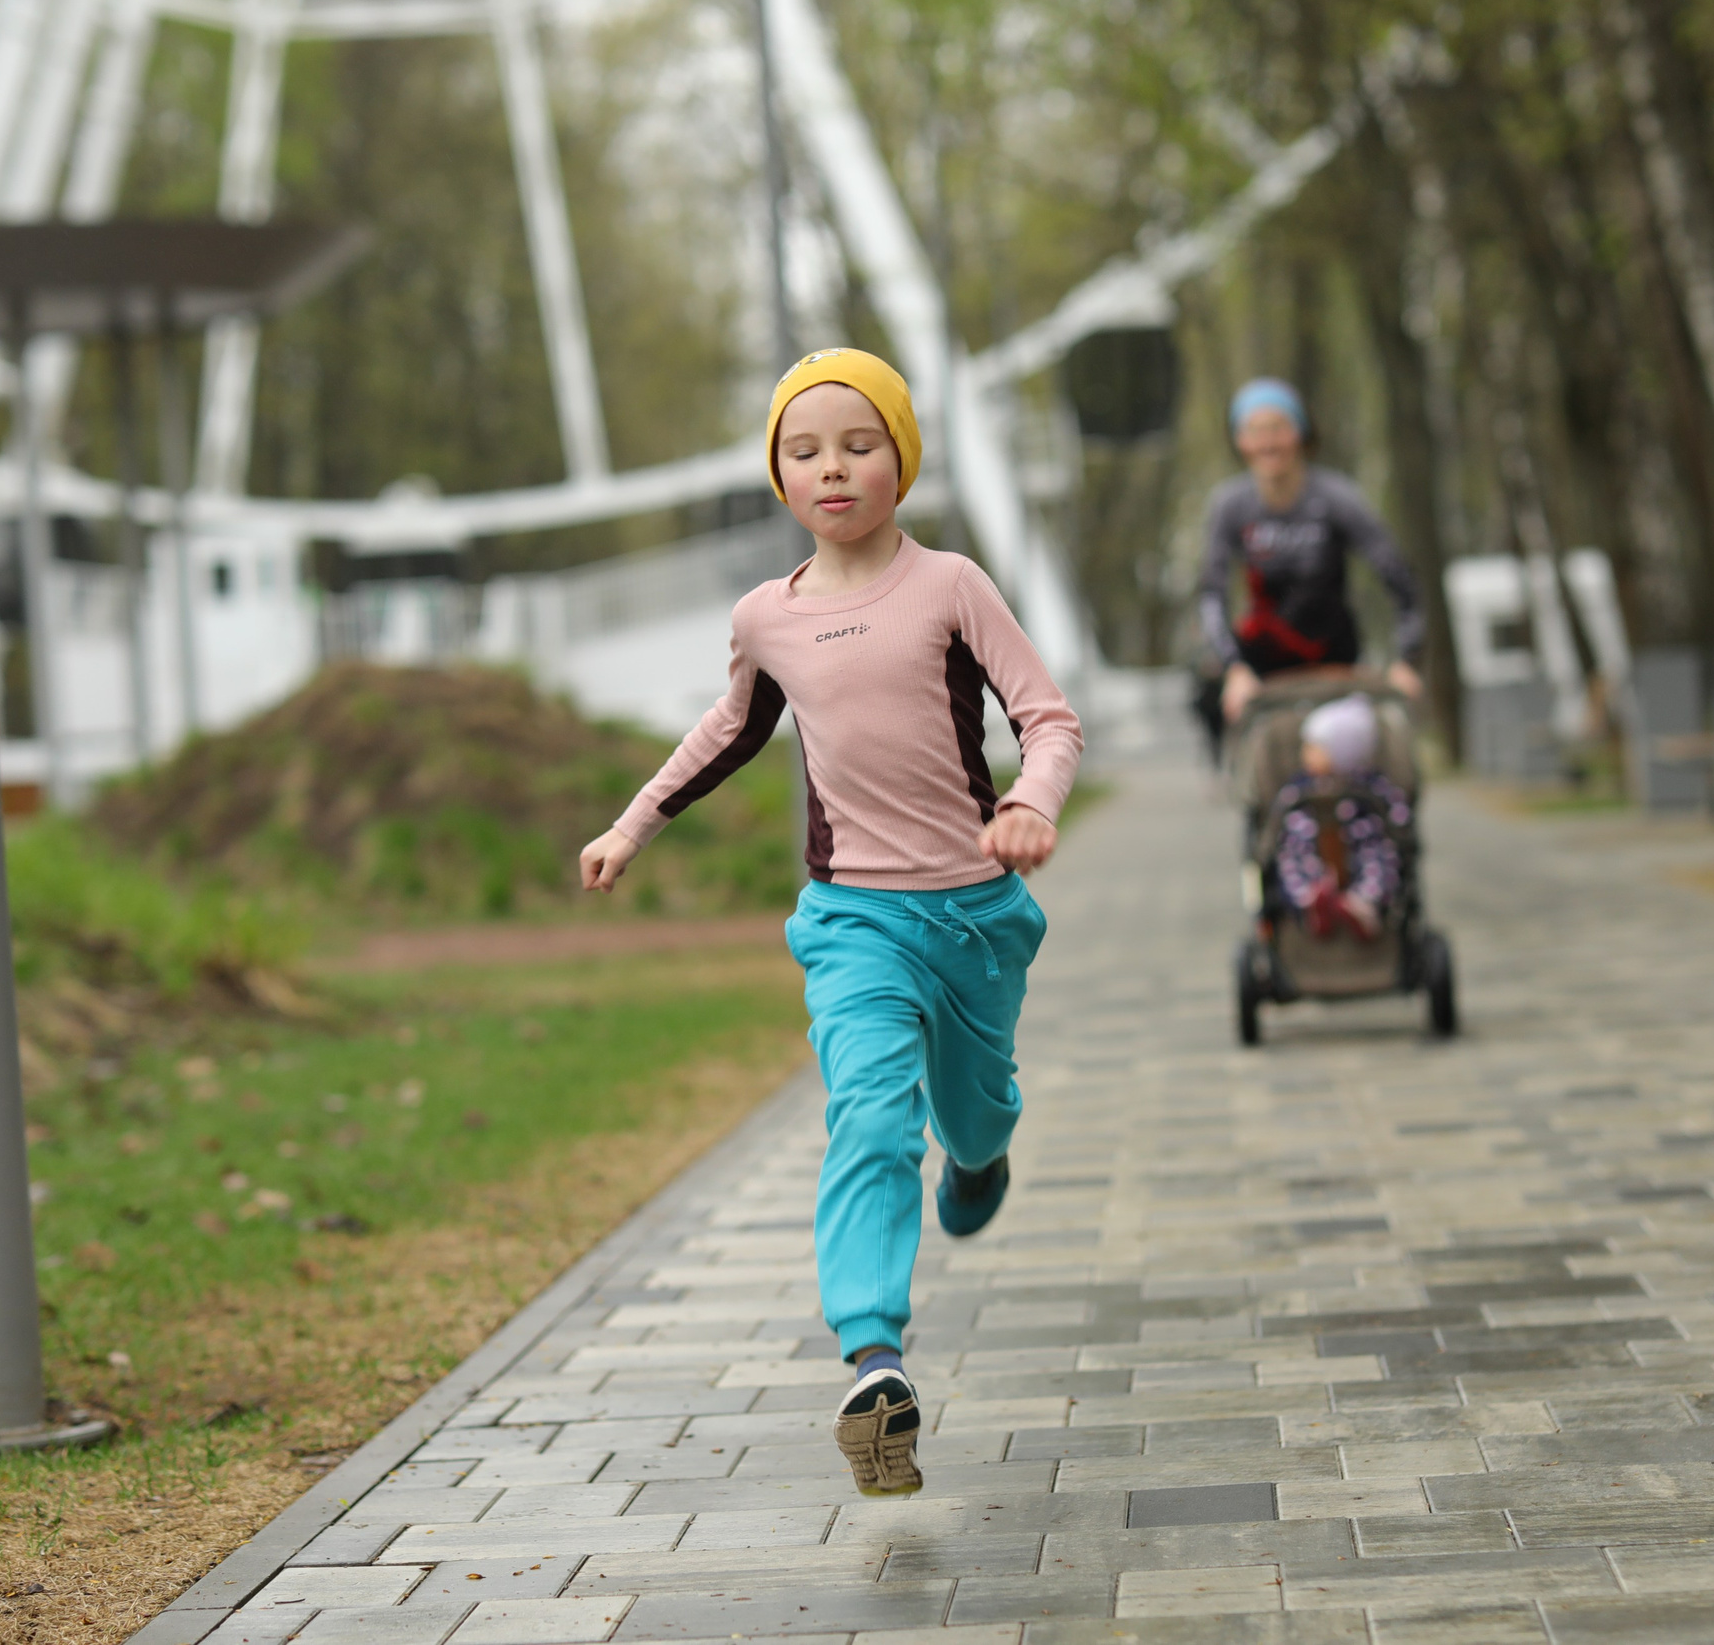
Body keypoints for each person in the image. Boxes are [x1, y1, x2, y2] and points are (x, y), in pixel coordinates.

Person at [579, 348, 1081, 1501]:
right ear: (777, 475)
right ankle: (874, 1362)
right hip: (853, 921)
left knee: (976, 1107)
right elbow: (725, 733)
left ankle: (984, 1153)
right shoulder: (770, 616)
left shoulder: (951, 584)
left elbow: (1047, 720)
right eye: (803, 451)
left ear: (900, 458)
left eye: (859, 443)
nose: (833, 468)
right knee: (868, 1117)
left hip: (975, 914)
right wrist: (629, 826)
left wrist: (1028, 805)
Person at [1198, 378, 1427, 725]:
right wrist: (1234, 669)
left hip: (1336, 659)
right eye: (1255, 431)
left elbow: (1398, 575)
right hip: (1259, 666)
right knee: (1206, 703)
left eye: (1278, 428)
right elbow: (1210, 594)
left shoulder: (1338, 498)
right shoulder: (1230, 506)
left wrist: (1407, 662)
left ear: (1300, 433)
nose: (1268, 442)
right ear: (1240, 440)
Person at [1271, 694, 1407, 942]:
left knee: (1379, 855)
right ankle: (1312, 901)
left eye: (1313, 747)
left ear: (1342, 752)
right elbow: (1280, 815)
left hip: (1359, 852)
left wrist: (1395, 827)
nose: (1305, 753)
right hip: (1313, 850)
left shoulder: (1371, 785)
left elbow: (1397, 815)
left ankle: (1363, 905)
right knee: (1292, 857)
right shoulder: (1299, 787)